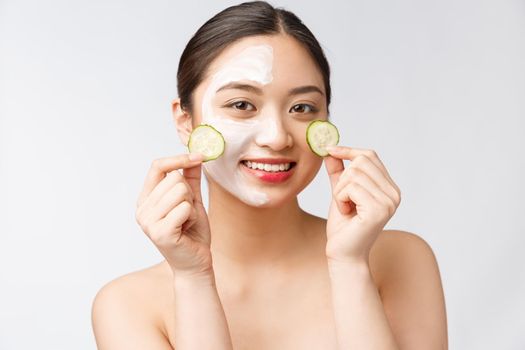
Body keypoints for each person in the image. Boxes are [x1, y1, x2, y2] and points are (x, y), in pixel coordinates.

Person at [91, 1, 448, 349]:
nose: (277, 137)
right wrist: (193, 278)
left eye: (302, 108)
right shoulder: (127, 306)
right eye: (242, 105)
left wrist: (350, 266)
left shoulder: (399, 259)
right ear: (186, 122)